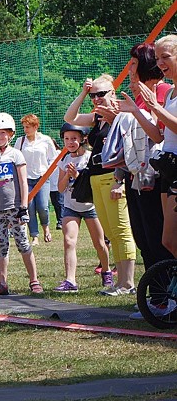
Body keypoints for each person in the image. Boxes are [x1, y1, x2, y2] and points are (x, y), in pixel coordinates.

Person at [64, 74, 136, 295]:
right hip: (95, 178)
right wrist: (83, 93)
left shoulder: (122, 116)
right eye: (93, 95)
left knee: (122, 230)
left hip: (112, 178)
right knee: (111, 233)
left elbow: (128, 148)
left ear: (113, 93)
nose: (96, 99)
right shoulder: (97, 118)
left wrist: (119, 180)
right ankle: (120, 282)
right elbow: (70, 117)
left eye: (101, 94)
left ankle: (128, 282)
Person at [116, 42, 175, 270]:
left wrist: (148, 107)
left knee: (160, 237)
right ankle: (156, 297)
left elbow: (159, 133)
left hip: (158, 172)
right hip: (138, 173)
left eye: (134, 63)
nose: (130, 68)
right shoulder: (142, 96)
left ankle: (164, 297)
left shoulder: (162, 91)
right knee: (144, 238)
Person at [0, 113, 42, 296]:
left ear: (11, 134)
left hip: (15, 208)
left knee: (23, 243)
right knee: (1, 245)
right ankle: (2, 283)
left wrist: (23, 207)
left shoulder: (16, 155)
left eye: (3, 133)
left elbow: (23, 182)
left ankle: (34, 280)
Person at [53, 123, 110, 292]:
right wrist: (68, 176)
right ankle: (70, 280)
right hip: (71, 206)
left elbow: (91, 186)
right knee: (69, 241)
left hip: (91, 206)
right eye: (66, 139)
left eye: (74, 139)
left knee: (99, 243)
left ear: (83, 139)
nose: (70, 142)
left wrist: (77, 176)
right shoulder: (64, 160)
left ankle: (106, 271)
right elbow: (61, 188)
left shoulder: (89, 157)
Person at [16, 114, 58, 245]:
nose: (25, 130)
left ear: (36, 126)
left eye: (28, 127)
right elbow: (16, 158)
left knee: (43, 206)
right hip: (26, 180)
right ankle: (34, 236)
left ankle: (46, 229)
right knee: (29, 207)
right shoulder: (20, 141)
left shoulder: (45, 140)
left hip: (42, 178)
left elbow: (53, 158)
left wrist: (48, 172)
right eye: (24, 127)